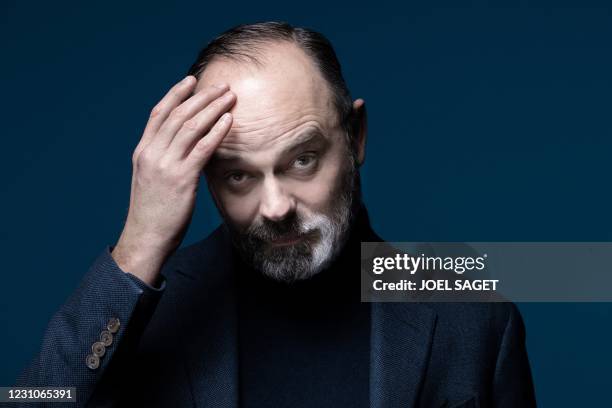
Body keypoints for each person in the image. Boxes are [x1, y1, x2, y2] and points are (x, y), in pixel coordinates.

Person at [16, 22, 536, 407]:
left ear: (355, 137)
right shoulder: (141, 315)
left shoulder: (474, 319)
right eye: (238, 175)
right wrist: (138, 246)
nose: (276, 207)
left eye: (302, 160)